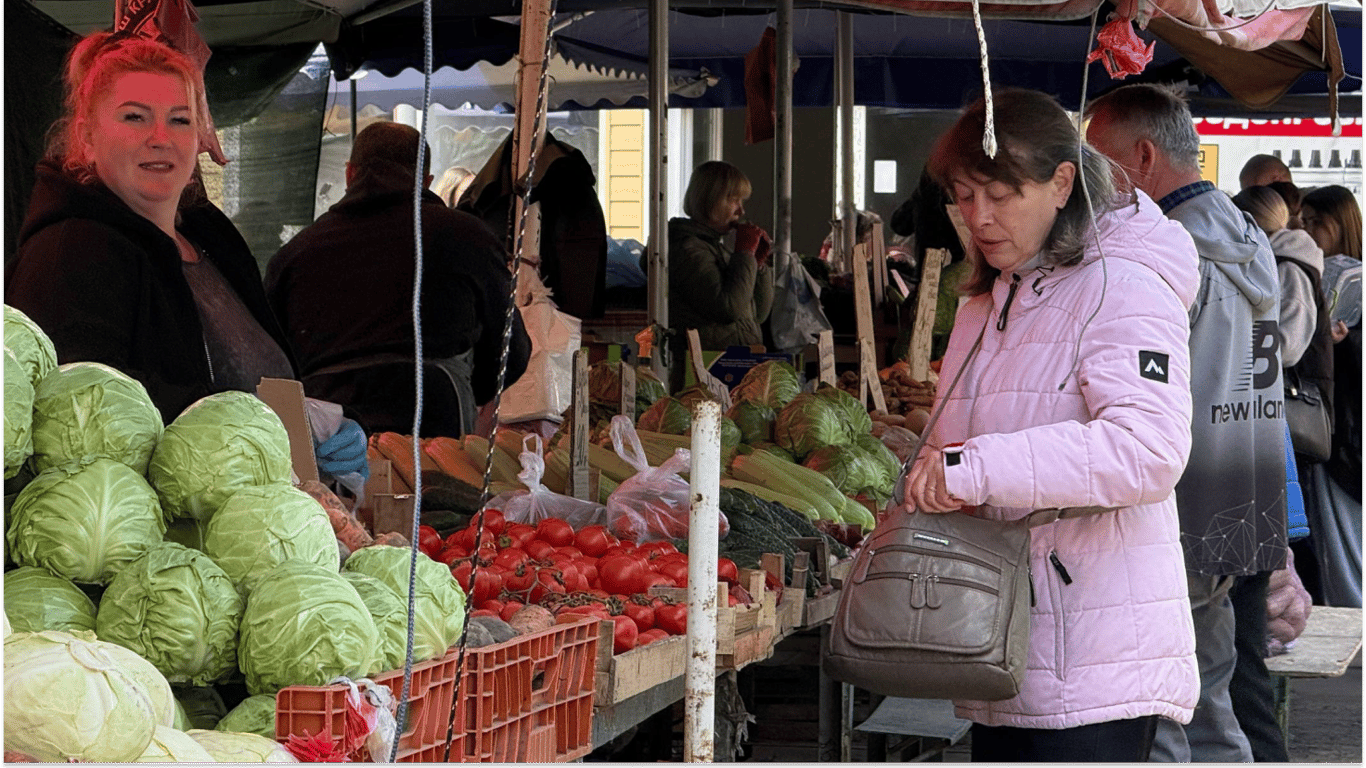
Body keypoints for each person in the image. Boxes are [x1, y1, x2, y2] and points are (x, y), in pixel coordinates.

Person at [903, 88, 1200, 763]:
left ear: (1062, 182)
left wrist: (975, 467)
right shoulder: (989, 298)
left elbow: (1147, 451)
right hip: (1000, 648)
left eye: (1000, 194)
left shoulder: (1121, 285)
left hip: (1093, 662)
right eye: (964, 195)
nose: (978, 217)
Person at [2, 31, 370, 484]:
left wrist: (307, 422)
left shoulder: (210, 236)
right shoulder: (67, 255)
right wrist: (263, 431)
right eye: (135, 117)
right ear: (87, 137)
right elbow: (83, 420)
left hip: (260, 510)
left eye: (179, 120)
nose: (161, 138)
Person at [1087, 83, 1289, 764]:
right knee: (1214, 695)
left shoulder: (1169, 251)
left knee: (1169, 711)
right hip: (1247, 493)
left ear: (1142, 157)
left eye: (1098, 162)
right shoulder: (1251, 236)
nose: (1091, 184)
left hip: (1178, 506)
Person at [265, 122, 531, 439]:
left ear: (350, 173)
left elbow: (271, 360)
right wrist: (461, 387)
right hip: (436, 423)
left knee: (334, 491)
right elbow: (510, 351)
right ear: (427, 181)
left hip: (328, 430)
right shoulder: (468, 236)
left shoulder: (295, 253)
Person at [1298, 185, 1364, 609]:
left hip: (1342, 422)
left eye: (1310, 222)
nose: (1303, 230)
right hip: (1345, 424)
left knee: (1343, 533)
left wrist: (1340, 341)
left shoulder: (1335, 274)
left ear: (1332, 224)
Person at [659, 161, 773, 381]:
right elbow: (728, 308)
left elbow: (758, 314)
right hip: (704, 373)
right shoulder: (688, 250)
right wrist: (743, 255)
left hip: (730, 367)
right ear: (709, 200)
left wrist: (757, 265)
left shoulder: (716, 248)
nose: (741, 210)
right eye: (733, 200)